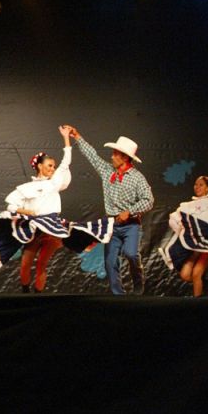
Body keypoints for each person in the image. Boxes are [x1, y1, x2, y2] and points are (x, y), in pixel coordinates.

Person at [69, 125, 154, 295]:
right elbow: (93, 156)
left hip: (131, 225)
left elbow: (149, 200)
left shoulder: (137, 178)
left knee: (131, 254)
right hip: (112, 224)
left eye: (116, 153)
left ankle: (138, 284)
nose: (112, 156)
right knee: (110, 261)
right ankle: (118, 294)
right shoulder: (108, 171)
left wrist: (129, 211)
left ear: (125, 157)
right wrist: (77, 137)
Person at [2, 126, 72, 292]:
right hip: (34, 228)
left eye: (53, 166)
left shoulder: (54, 182)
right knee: (25, 264)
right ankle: (26, 293)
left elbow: (66, 161)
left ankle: (38, 295)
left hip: (51, 229)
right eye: (49, 165)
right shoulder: (27, 187)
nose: (52, 169)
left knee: (42, 264)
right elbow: (10, 205)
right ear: (40, 166)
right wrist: (27, 212)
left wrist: (66, 138)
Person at [159, 176, 208, 297]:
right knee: (185, 275)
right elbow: (174, 219)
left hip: (207, 246)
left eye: (201, 184)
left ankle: (199, 308)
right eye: (195, 184)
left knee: (197, 274)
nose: (197, 187)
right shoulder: (188, 206)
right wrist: (185, 230)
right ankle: (204, 290)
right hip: (194, 246)